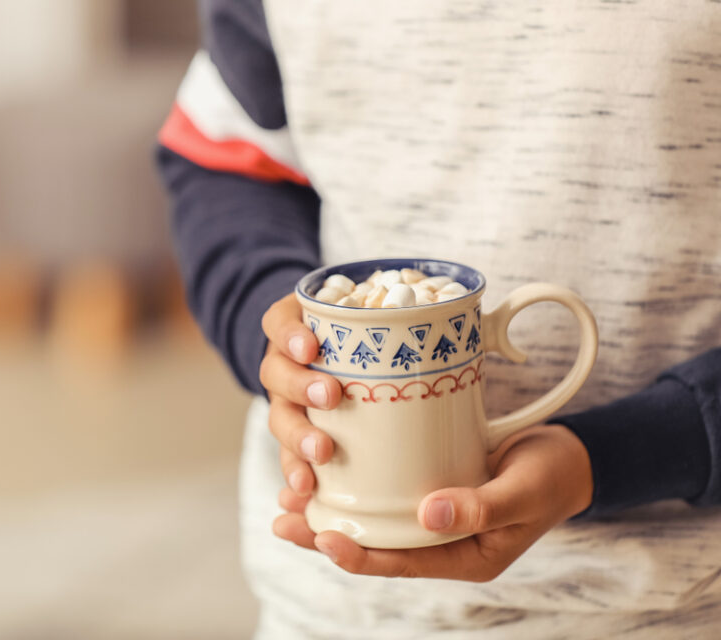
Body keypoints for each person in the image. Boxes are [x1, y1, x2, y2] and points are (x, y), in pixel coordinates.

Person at [157, 1, 721, 637]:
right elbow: (225, 155)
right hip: (330, 603)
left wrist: (634, 449)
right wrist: (278, 338)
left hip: (682, 602)